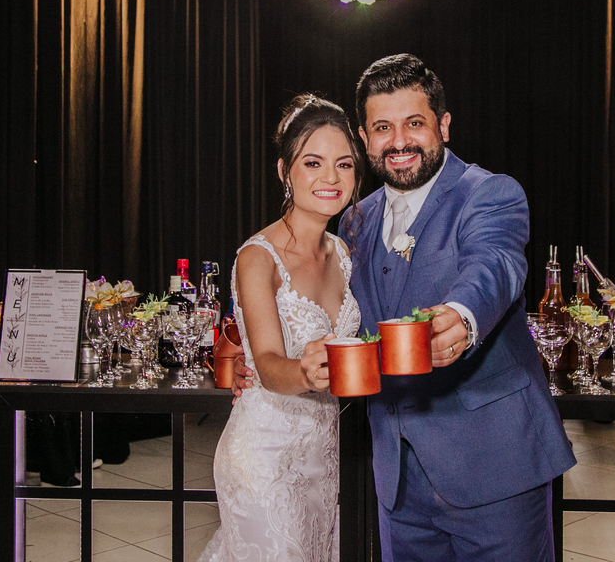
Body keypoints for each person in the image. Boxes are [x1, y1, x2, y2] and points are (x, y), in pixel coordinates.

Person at [236, 54, 576, 560]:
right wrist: (259, 365)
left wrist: (462, 316)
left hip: (494, 469)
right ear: (365, 137)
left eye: (414, 123)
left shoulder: (488, 194)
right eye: (382, 128)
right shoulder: (354, 223)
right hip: (398, 480)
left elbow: (495, 265)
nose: (399, 142)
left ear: (443, 125)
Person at [198, 94, 364, 562]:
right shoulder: (258, 257)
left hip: (323, 457)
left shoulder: (343, 254)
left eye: (344, 164)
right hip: (264, 458)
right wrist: (305, 372)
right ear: (283, 172)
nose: (331, 178)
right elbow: (268, 365)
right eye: (313, 163)